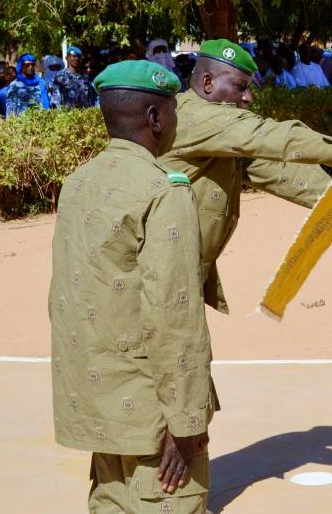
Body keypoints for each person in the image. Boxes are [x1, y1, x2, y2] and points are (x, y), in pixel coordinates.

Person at [49, 60, 215, 514]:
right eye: (174, 110)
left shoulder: (79, 182)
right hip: (150, 416)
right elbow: (174, 317)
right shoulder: (163, 191)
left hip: (99, 406)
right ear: (156, 119)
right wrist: (186, 425)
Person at [160, 40, 332, 316]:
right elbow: (271, 137)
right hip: (155, 279)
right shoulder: (193, 117)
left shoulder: (222, 137)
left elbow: (280, 172)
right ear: (207, 83)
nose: (249, 97)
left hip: (177, 274)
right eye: (241, 87)